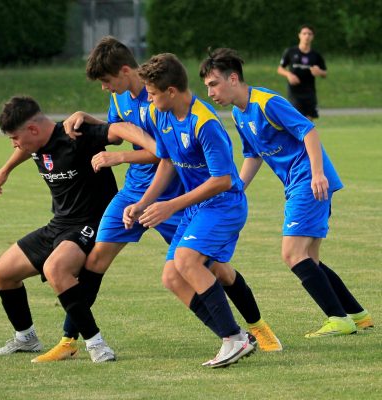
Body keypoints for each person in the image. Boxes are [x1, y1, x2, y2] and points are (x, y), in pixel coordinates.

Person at [33, 37, 281, 363]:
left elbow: (162, 155)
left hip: (183, 197)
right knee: (102, 263)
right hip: (141, 193)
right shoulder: (144, 104)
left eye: (108, 81)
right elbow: (137, 138)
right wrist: (140, 201)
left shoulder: (188, 115)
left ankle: (253, 329)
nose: (108, 89)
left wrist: (121, 159)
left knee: (213, 268)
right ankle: (72, 337)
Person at [200, 47, 373, 338]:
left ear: (232, 79)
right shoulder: (239, 114)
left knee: (292, 254)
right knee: (310, 259)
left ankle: (338, 319)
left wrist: (317, 173)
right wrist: (237, 189)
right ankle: (357, 314)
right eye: (207, 87)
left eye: (213, 84)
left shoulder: (267, 103)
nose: (210, 92)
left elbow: (309, 131)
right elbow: (253, 155)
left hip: (309, 180)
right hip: (299, 183)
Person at [121, 53, 256, 368]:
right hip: (197, 207)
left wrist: (170, 205)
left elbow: (223, 180)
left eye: (152, 95)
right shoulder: (161, 115)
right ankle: (234, 338)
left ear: (170, 91)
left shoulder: (205, 123)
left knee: (186, 260)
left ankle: (233, 339)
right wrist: (143, 204)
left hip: (223, 205)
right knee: (172, 277)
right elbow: (167, 162)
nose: (150, 101)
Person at [0, 96, 125, 363]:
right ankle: (26, 338)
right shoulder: (36, 142)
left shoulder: (76, 134)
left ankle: (96, 344)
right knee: (1, 273)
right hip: (59, 224)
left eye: (15, 137)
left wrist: (88, 115)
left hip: (91, 223)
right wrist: (5, 170)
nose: (14, 144)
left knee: (56, 269)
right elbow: (26, 149)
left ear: (33, 129)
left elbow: (117, 135)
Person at [277, 24, 326, 120]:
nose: (307, 36)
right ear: (299, 35)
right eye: (304, 33)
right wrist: (289, 74)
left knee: (309, 120)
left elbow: (325, 73)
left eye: (309, 34)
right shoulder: (291, 52)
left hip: (310, 92)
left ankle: (308, 135)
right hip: (294, 92)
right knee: (297, 118)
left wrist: (319, 72)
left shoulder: (316, 55)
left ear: (312, 37)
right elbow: (280, 69)